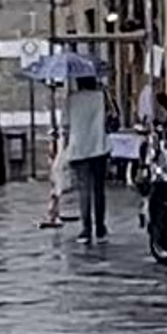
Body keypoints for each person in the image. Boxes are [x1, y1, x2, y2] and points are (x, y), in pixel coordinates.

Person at [59, 57, 113, 248]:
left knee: (84, 190)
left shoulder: (71, 99)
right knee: (99, 189)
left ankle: (86, 229)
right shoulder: (101, 97)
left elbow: (65, 126)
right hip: (99, 147)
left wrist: (63, 149)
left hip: (79, 148)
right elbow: (112, 118)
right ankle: (100, 226)